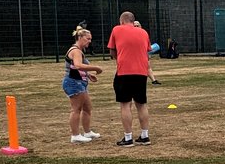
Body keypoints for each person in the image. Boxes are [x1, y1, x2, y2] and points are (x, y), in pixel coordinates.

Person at [107, 10, 152, 147]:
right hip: (141, 72)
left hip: (124, 72)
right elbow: (147, 51)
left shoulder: (117, 30)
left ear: (122, 21)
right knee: (141, 104)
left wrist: (120, 58)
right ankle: (145, 135)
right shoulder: (144, 32)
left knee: (125, 104)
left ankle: (128, 138)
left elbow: (112, 50)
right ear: (133, 21)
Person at [63, 27, 103, 143]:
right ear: (80, 37)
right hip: (73, 83)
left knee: (87, 108)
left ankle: (87, 132)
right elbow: (78, 65)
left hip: (79, 82)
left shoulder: (78, 50)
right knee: (76, 109)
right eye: (88, 39)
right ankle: (75, 135)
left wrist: (88, 75)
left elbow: (75, 67)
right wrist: (96, 68)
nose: (89, 41)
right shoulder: (76, 51)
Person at [134, 20, 160, 85]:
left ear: (140, 26)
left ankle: (154, 80)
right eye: (135, 26)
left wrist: (149, 52)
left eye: (137, 26)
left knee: (148, 66)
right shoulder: (130, 34)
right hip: (134, 54)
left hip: (143, 53)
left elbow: (147, 43)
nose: (136, 27)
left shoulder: (144, 33)